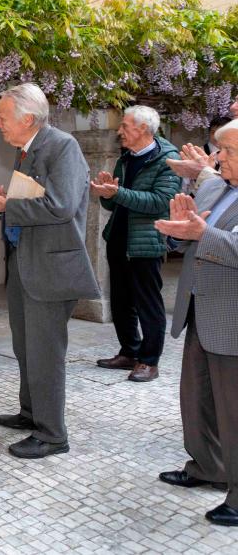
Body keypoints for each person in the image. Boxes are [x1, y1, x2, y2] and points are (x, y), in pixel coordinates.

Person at [0, 83, 100, 459]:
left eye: (2, 118)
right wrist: (1, 200)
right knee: (25, 347)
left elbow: (60, 206)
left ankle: (52, 434)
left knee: (45, 353)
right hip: (26, 261)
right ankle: (31, 413)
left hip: (51, 268)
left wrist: (5, 204)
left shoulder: (62, 147)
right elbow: (29, 201)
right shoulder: (26, 150)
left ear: (27, 119)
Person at [155, 118, 238, 527]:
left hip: (231, 317)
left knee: (233, 411)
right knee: (197, 398)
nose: (218, 157)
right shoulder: (214, 186)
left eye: (228, 151)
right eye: (219, 148)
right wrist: (177, 233)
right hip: (198, 309)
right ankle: (206, 466)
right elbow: (188, 236)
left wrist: (201, 233)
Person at [90, 106, 180, 382]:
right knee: (120, 301)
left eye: (125, 126)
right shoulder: (126, 157)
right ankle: (129, 351)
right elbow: (113, 203)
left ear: (143, 129)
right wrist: (107, 193)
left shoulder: (169, 159)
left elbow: (160, 202)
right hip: (118, 239)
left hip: (146, 242)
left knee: (147, 304)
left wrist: (118, 193)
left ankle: (149, 361)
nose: (120, 131)